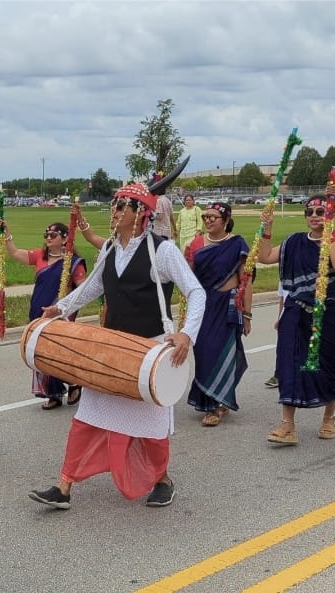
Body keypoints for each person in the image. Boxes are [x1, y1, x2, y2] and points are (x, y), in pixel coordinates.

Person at [29, 166, 206, 510]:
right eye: (116, 203)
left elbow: (196, 292)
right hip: (111, 350)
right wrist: (60, 309)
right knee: (87, 417)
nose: (116, 210)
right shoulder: (109, 248)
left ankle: (162, 480)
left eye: (124, 205)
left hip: (150, 350)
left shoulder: (163, 250)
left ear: (142, 214)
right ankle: (64, 485)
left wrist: (187, 334)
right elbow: (93, 287)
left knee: (151, 426)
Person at [257, 196, 335, 445]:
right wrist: (267, 227)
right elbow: (265, 257)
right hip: (296, 310)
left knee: (331, 364)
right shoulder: (294, 242)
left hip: (330, 311)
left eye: (320, 211)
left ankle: (329, 417)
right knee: (289, 363)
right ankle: (287, 426)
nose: (314, 215)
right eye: (309, 211)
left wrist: (328, 234)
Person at [2, 221, 88, 409]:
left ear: (65, 238)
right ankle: (53, 393)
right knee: (41, 352)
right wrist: (7, 234)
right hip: (39, 311)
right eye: (46, 235)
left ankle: (74, 383)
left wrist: (62, 307)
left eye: (53, 235)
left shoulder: (72, 263)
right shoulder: (40, 256)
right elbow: (16, 253)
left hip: (61, 315)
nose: (48, 238)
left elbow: (83, 290)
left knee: (59, 352)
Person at [182, 201, 250, 426]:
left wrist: (247, 314)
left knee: (222, 351)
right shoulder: (196, 244)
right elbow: (186, 278)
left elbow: (246, 280)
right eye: (206, 217)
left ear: (226, 220)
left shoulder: (237, 244)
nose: (209, 220)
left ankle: (219, 405)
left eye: (214, 217)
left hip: (226, 305)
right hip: (202, 305)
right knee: (202, 352)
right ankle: (210, 399)